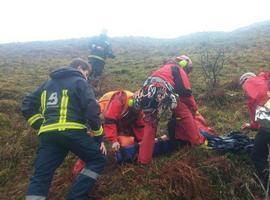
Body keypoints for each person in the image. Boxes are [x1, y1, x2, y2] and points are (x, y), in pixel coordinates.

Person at [21, 58, 107, 200]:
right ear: (80, 68)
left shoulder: (47, 84)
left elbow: (27, 104)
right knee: (98, 159)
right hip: (72, 132)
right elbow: (92, 110)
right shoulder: (80, 82)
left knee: (41, 175)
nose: (87, 77)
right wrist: (98, 137)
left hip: (48, 136)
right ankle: (76, 197)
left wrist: (40, 124)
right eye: (86, 73)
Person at [134, 55, 205, 164]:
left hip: (145, 94)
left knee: (150, 126)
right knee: (184, 111)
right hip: (160, 91)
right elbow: (185, 93)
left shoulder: (162, 69)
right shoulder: (177, 68)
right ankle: (198, 142)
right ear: (184, 63)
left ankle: (143, 160)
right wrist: (194, 109)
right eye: (188, 69)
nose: (187, 72)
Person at [240, 71, 270, 188]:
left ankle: (267, 184)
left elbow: (259, 118)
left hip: (268, 126)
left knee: (257, 155)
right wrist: (251, 126)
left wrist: (252, 125)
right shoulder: (265, 81)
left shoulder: (250, 83)